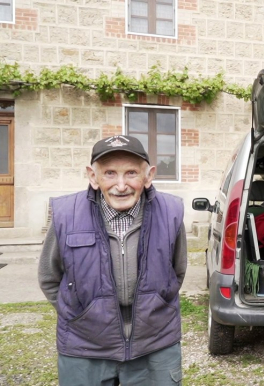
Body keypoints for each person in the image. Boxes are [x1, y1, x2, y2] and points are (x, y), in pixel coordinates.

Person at [39, 135, 187, 385]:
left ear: (148, 176)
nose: (121, 185)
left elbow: (177, 272)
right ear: (93, 176)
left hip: (155, 342)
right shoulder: (66, 215)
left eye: (131, 173)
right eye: (109, 173)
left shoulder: (171, 213)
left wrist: (156, 304)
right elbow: (49, 278)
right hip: (84, 346)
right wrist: (82, 314)